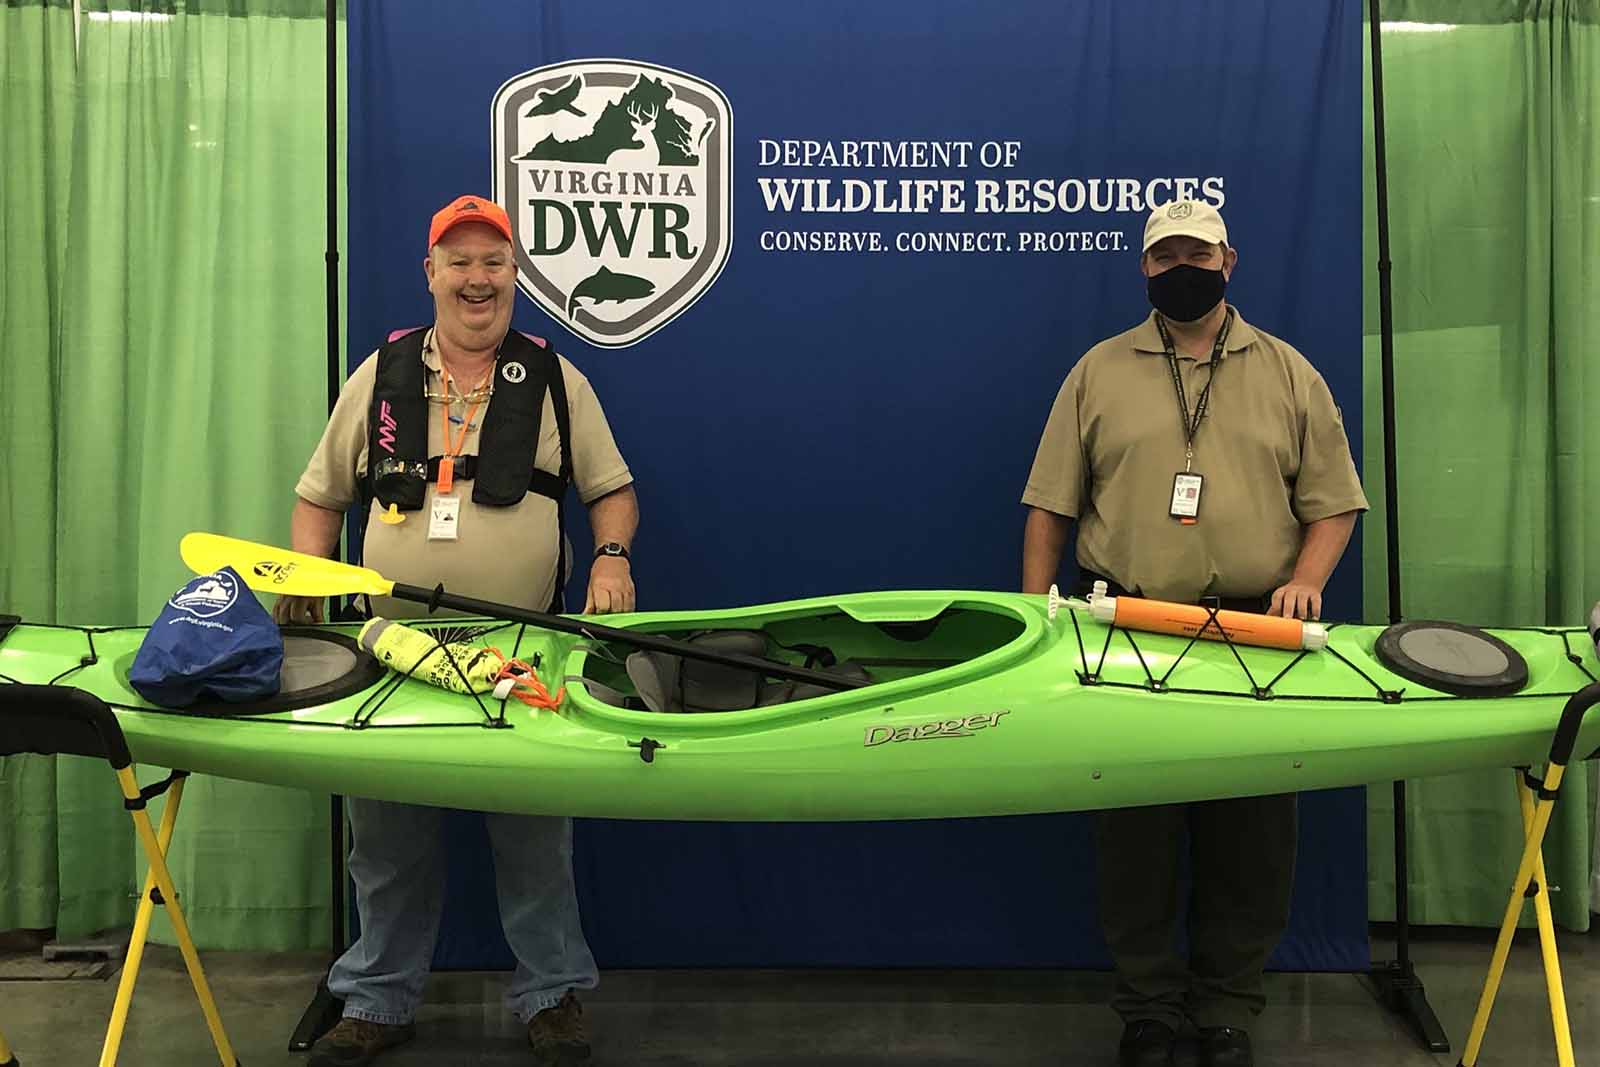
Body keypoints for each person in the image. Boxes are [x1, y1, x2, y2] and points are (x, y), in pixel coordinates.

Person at [278, 194, 639, 1067]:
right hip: (393, 651)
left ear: (514, 274)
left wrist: (613, 557)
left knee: (534, 838)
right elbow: (318, 498)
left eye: (494, 262)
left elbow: (611, 490)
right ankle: (375, 998)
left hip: (524, 649)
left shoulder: (557, 379)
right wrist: (306, 577)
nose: (478, 280)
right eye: (460, 261)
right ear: (430, 273)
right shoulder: (380, 374)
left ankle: (551, 996)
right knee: (388, 841)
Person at [1020, 199, 1368, 1067]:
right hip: (1124, 624)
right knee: (1133, 835)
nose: (1184, 267)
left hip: (1255, 633)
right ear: (1145, 268)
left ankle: (1228, 1008)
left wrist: (1306, 581)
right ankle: (1147, 1008)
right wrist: (1037, 616)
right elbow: (1050, 507)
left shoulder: (1290, 373)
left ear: (1230, 260)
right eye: (1166, 254)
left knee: (1252, 837)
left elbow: (1334, 504)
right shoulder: (1098, 372)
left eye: (1199, 253)